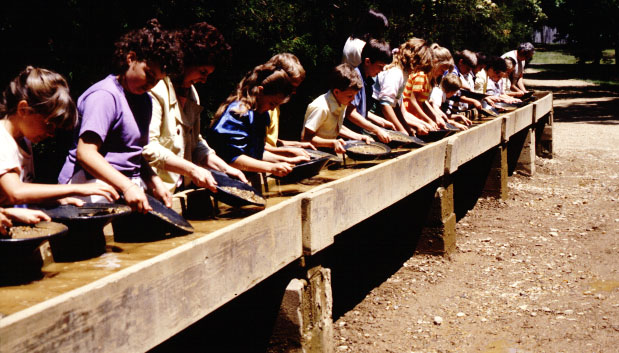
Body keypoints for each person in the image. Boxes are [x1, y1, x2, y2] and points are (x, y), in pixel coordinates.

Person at [58, 19, 180, 213]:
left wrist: (154, 180)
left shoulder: (145, 101)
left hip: (123, 187)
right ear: (130, 58)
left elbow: (133, 154)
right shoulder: (105, 96)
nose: (151, 84)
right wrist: (127, 186)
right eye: (148, 74)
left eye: (157, 80)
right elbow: (86, 154)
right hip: (88, 188)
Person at [143, 22, 247, 195]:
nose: (204, 80)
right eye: (202, 72)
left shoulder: (192, 93)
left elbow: (194, 142)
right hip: (155, 193)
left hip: (182, 191)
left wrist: (226, 169)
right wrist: (192, 169)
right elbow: (147, 147)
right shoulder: (156, 89)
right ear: (186, 61)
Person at [0, 66, 118, 207]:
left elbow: (22, 194)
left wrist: (57, 199)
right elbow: (15, 192)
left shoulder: (24, 140)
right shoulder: (3, 140)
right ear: (24, 109)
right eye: (48, 124)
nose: (51, 133)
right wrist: (76, 188)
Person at [208, 62, 303, 178]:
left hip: (246, 178)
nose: (272, 108)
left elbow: (256, 154)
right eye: (272, 103)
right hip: (222, 179)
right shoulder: (237, 113)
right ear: (260, 91)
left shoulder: (261, 114)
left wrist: (285, 161)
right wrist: (270, 167)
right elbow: (231, 158)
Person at [301, 63, 374, 154]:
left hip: (327, 150)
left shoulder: (341, 101)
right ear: (336, 92)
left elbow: (335, 127)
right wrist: (332, 143)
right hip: (313, 153)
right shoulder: (321, 108)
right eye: (350, 96)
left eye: (354, 96)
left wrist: (358, 137)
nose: (353, 100)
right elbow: (306, 138)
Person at [372, 38, 432, 136]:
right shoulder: (396, 73)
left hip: (384, 115)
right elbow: (385, 105)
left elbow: (397, 107)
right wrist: (401, 131)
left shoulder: (404, 74)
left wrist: (407, 129)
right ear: (415, 60)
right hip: (375, 112)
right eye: (419, 67)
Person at [264, 53, 315, 158]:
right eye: (291, 87)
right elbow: (256, 146)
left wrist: (295, 144)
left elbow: (269, 141)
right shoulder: (265, 105)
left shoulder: (275, 105)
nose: (294, 92)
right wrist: (287, 152)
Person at [344, 38, 394, 143]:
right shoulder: (355, 79)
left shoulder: (368, 80)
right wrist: (376, 129)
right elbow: (350, 113)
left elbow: (362, 111)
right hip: (348, 136)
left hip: (358, 132)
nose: (381, 70)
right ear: (367, 61)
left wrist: (381, 122)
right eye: (380, 66)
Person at [402, 43, 454, 131]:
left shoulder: (428, 78)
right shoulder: (421, 76)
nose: (442, 73)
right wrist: (427, 120)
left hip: (416, 117)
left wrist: (435, 117)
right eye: (442, 70)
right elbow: (413, 102)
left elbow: (423, 101)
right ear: (435, 62)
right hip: (410, 116)